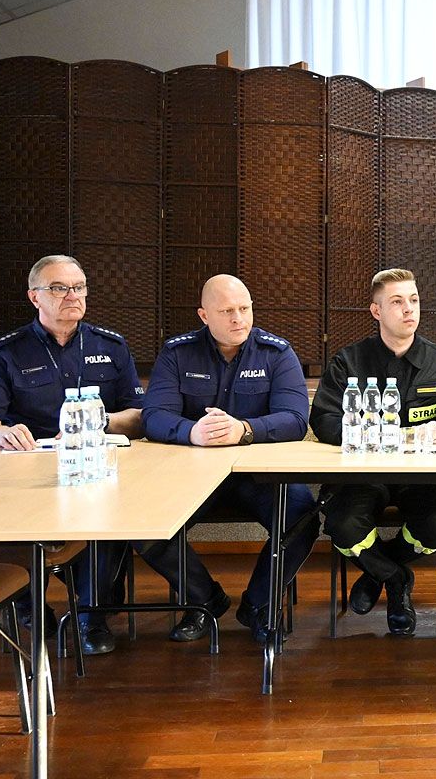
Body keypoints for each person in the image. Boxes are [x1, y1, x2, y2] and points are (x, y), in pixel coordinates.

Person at [139, 274, 318, 643]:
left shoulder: (276, 353)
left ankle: (259, 606)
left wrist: (244, 429)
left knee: (302, 517)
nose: (239, 319)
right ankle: (204, 600)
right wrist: (191, 432)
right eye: (227, 311)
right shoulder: (177, 353)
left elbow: (296, 419)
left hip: (258, 476)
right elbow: (153, 416)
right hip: (191, 474)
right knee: (142, 525)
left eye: (244, 309)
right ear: (204, 315)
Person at [0, 255, 144, 654]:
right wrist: (2, 433)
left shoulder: (111, 345)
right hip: (29, 471)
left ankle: (92, 617)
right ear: (34, 297)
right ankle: (27, 605)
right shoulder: (6, 352)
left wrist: (98, 422)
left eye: (78, 287)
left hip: (94, 464)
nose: (72, 296)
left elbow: (139, 415)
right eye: (59, 288)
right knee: (10, 520)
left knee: (111, 515)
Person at [310, 269, 436, 635]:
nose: (409, 309)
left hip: (422, 475)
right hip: (363, 472)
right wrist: (368, 434)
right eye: (397, 302)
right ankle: (397, 580)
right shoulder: (348, 362)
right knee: (341, 524)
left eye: (413, 300)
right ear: (376, 311)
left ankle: (377, 573)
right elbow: (323, 420)